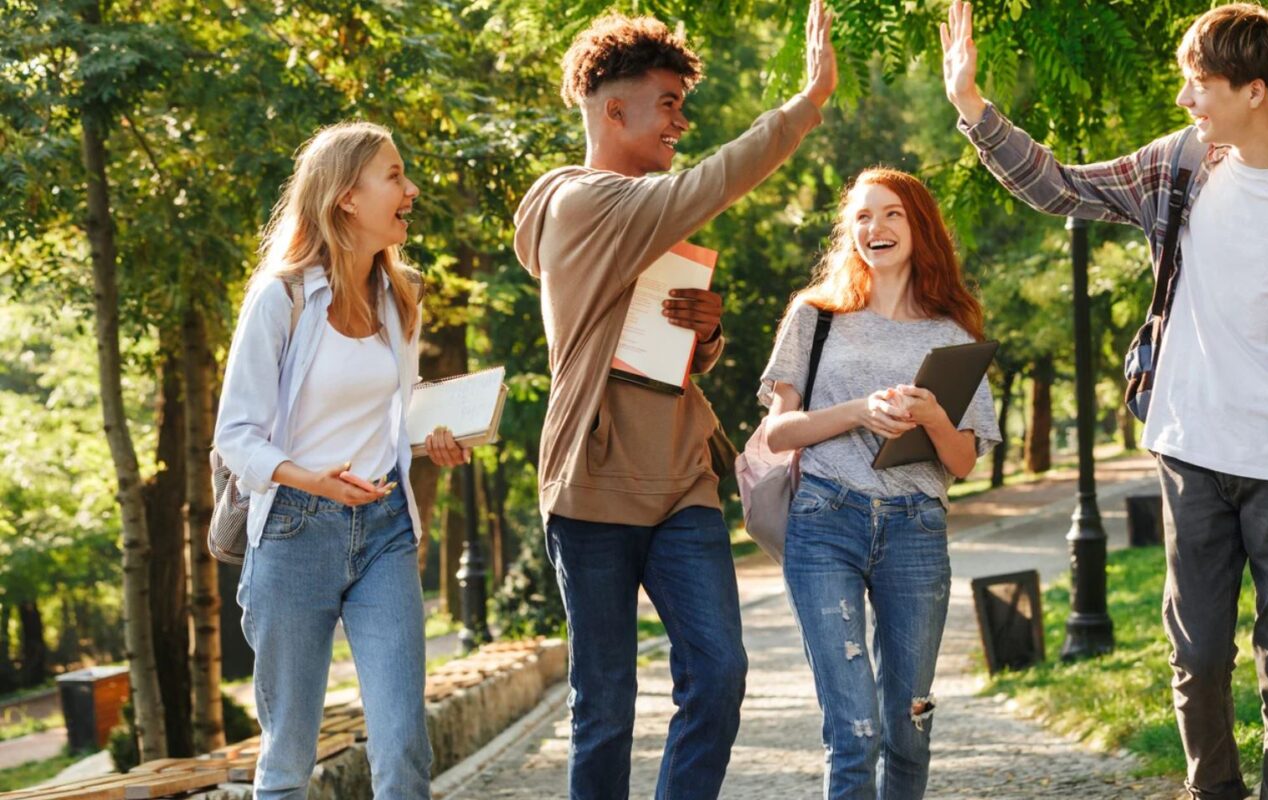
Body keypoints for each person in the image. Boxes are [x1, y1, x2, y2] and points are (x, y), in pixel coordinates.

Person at [939, 3, 1268, 798]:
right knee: (1199, 657)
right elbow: (1064, 188)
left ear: (1254, 91)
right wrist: (973, 106)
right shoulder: (1182, 166)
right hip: (1192, 448)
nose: (1185, 101)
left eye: (1199, 85)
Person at [508, 3, 837, 797]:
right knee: (606, 706)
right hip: (593, 483)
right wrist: (808, 101)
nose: (679, 123)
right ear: (613, 110)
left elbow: (657, 351)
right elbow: (712, 181)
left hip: (682, 477)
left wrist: (706, 333)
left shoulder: (639, 219)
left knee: (719, 674)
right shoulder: (584, 203)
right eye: (667, 105)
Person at [214, 122, 469, 799]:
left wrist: (435, 438)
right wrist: (308, 478)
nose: (410, 190)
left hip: (383, 525)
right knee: (290, 756)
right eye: (395, 176)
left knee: (403, 745)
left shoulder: (400, 297)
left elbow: (395, 412)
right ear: (347, 196)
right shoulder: (282, 296)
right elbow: (235, 436)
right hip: (295, 532)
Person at [757, 168, 1001, 799]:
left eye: (892, 214)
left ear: (920, 228)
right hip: (823, 520)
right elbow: (778, 435)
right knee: (855, 729)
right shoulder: (815, 317)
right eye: (863, 216)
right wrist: (859, 411)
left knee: (908, 726)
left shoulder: (954, 333)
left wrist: (933, 416)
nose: (876, 228)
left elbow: (966, 461)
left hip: (916, 528)